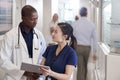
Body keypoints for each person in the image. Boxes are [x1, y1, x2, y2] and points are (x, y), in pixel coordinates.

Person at [0, 5, 46, 80]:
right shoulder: (10, 36)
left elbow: (43, 55)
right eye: (32, 19)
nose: (36, 22)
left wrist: (38, 71)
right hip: (14, 77)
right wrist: (23, 72)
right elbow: (3, 60)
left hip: (34, 77)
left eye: (36, 19)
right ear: (23, 18)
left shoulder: (39, 35)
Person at [72, 7, 97, 80]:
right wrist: (95, 52)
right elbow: (95, 39)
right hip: (87, 48)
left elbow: (72, 37)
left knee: (80, 67)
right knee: (85, 65)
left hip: (78, 47)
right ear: (87, 14)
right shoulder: (91, 24)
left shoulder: (75, 24)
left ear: (80, 14)